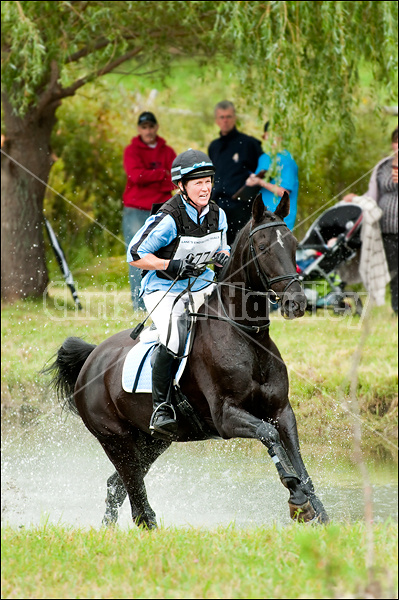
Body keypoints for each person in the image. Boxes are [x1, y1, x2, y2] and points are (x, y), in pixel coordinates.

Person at [127, 149, 230, 436]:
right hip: (164, 288)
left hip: (202, 284)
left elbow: (223, 245)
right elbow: (134, 254)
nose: (205, 187)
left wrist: (223, 254)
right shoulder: (169, 218)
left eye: (208, 181)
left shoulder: (217, 214)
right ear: (181, 186)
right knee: (174, 333)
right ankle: (161, 407)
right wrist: (169, 264)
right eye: (197, 182)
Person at [122, 111, 176, 311]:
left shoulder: (167, 151)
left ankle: (162, 301)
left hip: (162, 210)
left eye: (151, 127)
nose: (148, 131)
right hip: (135, 211)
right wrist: (162, 174)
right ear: (139, 129)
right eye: (144, 127)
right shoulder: (131, 150)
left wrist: (154, 177)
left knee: (164, 255)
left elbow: (175, 179)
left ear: (156, 127)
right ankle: (140, 306)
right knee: (137, 257)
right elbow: (135, 177)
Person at [343, 126, 398, 314]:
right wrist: (356, 199)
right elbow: (372, 195)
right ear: (392, 144)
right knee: (393, 268)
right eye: (397, 142)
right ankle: (396, 308)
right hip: (387, 226)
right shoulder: (383, 167)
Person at [208, 100, 263, 245]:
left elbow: (264, 171)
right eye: (222, 117)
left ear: (235, 118)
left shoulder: (249, 144)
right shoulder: (214, 147)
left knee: (242, 250)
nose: (225, 120)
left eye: (229, 116)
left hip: (242, 207)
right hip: (219, 207)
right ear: (216, 120)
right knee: (220, 251)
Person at [245, 121, 299, 230]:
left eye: (277, 134)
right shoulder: (263, 158)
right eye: (270, 134)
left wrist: (261, 182)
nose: (274, 137)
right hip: (261, 217)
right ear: (264, 136)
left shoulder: (286, 160)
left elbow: (284, 193)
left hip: (280, 219)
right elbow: (256, 181)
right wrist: (250, 181)